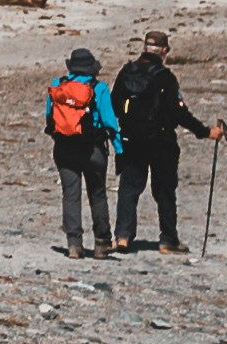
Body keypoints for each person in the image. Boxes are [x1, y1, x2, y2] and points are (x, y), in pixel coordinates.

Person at [110, 32, 215, 254]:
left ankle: (122, 236)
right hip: (161, 142)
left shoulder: (126, 72)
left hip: (131, 140)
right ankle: (168, 239)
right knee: (165, 190)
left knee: (129, 188)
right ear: (165, 51)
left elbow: (114, 105)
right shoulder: (165, 77)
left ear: (145, 48)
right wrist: (204, 132)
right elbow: (178, 113)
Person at [43, 48, 118, 258]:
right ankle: (102, 243)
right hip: (93, 149)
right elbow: (110, 122)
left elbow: (50, 116)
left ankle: (74, 243)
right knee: (97, 194)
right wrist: (119, 149)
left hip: (64, 148)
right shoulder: (99, 88)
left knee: (70, 195)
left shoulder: (58, 86)